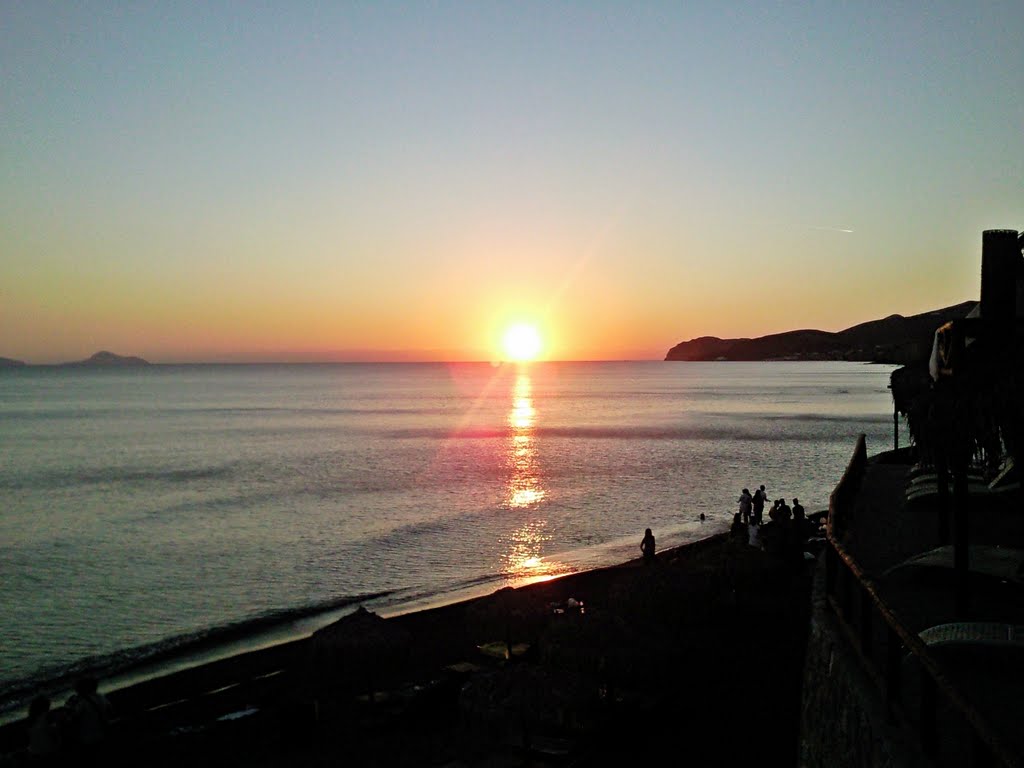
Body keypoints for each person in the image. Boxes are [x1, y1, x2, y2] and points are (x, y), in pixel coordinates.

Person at [65, 677, 114, 753]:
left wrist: (68, 706)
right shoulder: (101, 697)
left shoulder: (82, 703)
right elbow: (110, 710)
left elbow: (71, 719)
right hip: (103, 733)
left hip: (88, 738)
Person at [27, 695, 62, 761]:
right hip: (47, 753)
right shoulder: (45, 719)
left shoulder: (31, 720)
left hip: (33, 753)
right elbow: (55, 735)